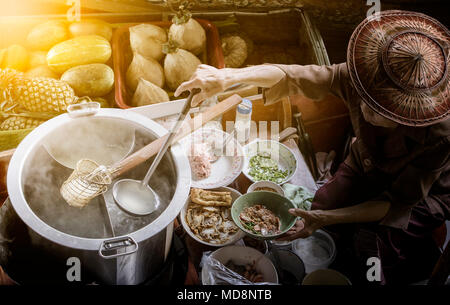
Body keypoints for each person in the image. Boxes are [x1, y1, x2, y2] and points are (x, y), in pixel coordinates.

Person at [175, 10, 449, 284]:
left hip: (418, 199)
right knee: (320, 207)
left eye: (379, 112)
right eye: (364, 98)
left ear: (408, 116)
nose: (365, 109)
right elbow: (297, 76)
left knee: (373, 246)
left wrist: (326, 218)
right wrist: (228, 77)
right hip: (365, 160)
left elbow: (395, 204)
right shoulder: (366, 77)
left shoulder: (438, 135)